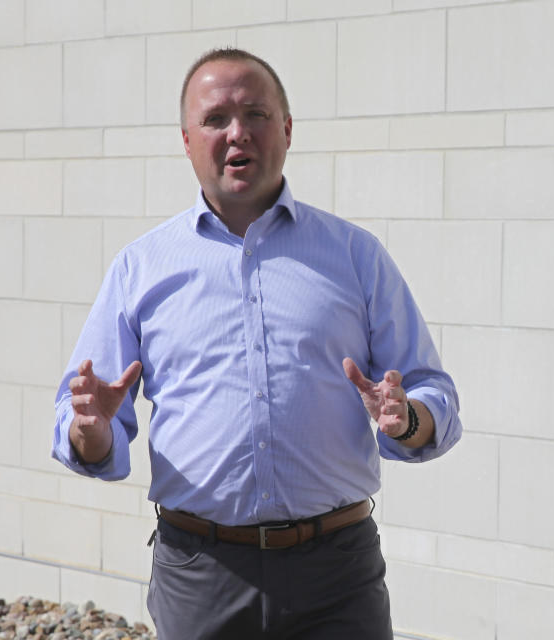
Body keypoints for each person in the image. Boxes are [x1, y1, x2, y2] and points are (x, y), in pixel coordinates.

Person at [52, 47, 463, 639]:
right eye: (216, 119)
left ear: (288, 131)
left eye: (257, 114)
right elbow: (83, 415)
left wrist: (408, 419)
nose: (237, 132)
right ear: (187, 140)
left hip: (336, 573)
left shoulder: (355, 257)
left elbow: (433, 394)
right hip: (200, 572)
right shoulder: (139, 268)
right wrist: (90, 432)